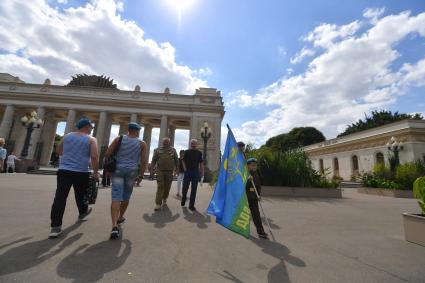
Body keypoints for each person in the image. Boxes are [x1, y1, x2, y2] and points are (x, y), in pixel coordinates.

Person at [49, 118, 99, 239]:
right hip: (81, 172)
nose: (92, 130)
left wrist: (68, 157)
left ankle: (55, 227)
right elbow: (94, 156)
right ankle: (82, 212)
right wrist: (96, 172)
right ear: (86, 127)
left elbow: (58, 151)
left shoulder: (66, 136)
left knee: (60, 197)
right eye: (91, 127)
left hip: (64, 170)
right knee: (81, 195)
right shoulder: (91, 139)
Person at [105, 122, 147, 239]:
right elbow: (143, 162)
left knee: (116, 196)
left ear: (128, 130)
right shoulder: (141, 143)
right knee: (126, 195)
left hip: (118, 170)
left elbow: (108, 153)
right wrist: (141, 176)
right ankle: (120, 217)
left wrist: (108, 168)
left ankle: (114, 226)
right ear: (138, 131)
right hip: (132, 172)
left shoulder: (119, 138)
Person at [150, 137, 178, 211]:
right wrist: (152, 169)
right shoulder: (158, 150)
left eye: (167, 142)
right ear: (162, 142)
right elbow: (153, 160)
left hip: (169, 171)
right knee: (160, 186)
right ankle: (158, 204)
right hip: (160, 170)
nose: (165, 143)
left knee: (167, 187)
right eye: (164, 142)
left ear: (169, 142)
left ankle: (164, 198)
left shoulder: (173, 150)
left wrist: (177, 170)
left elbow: (176, 160)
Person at [246, 158, 269, 239]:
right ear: (248, 166)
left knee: (256, 215)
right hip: (246, 198)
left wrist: (258, 195)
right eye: (253, 165)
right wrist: (248, 180)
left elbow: (258, 186)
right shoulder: (245, 174)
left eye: (256, 165)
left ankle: (260, 231)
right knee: (244, 215)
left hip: (254, 198)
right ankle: (243, 229)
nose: (255, 166)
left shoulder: (256, 174)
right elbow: (241, 186)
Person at [181, 139, 204, 211]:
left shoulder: (199, 153)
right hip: (187, 172)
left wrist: (202, 172)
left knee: (194, 189)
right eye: (192, 144)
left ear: (196, 145)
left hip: (195, 172)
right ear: (190, 144)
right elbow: (183, 160)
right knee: (185, 187)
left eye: (195, 144)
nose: (193, 145)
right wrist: (185, 169)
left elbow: (201, 163)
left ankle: (191, 205)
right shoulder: (186, 152)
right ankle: (184, 197)